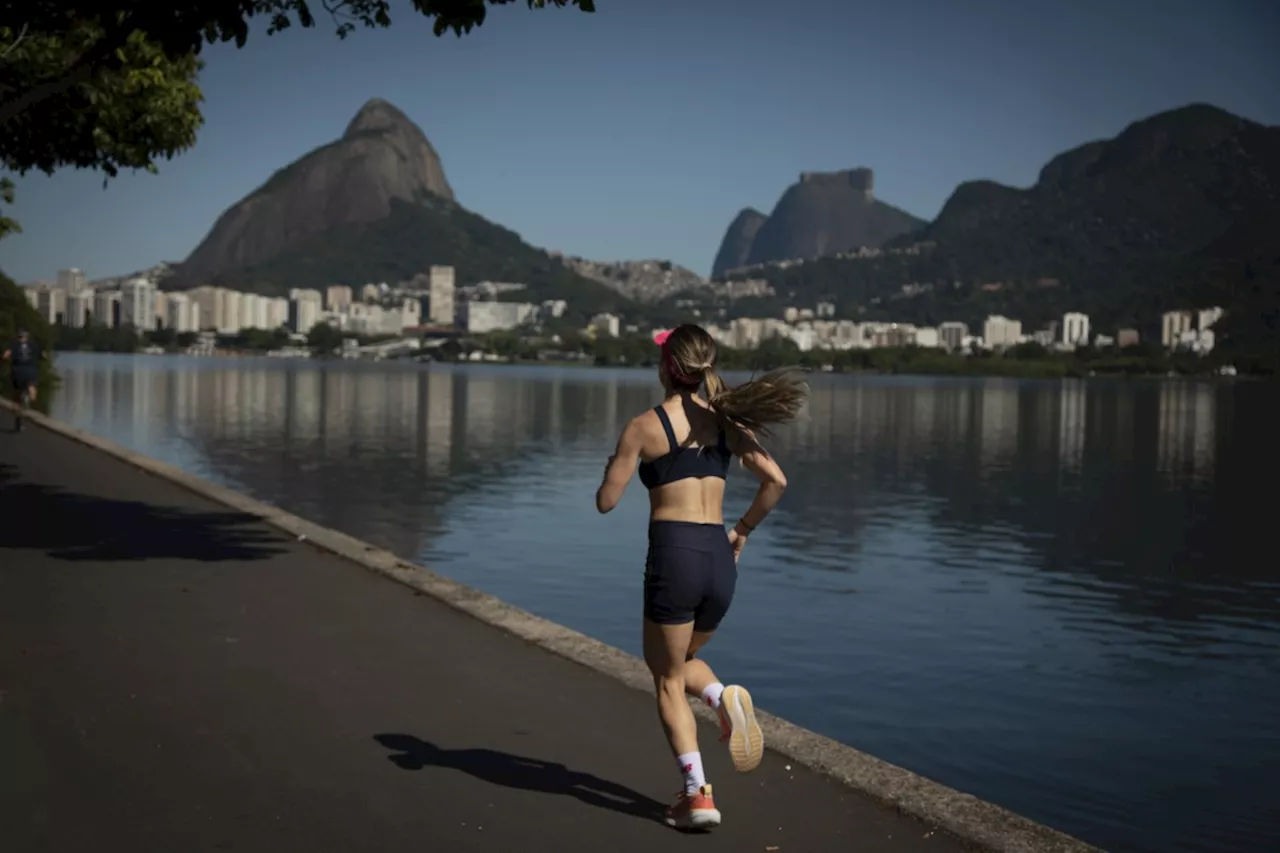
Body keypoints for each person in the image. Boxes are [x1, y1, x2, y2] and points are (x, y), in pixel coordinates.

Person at [595, 323, 808, 831]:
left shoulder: (644, 426)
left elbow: (606, 502)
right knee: (683, 660)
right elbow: (776, 481)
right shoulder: (728, 422)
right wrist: (742, 532)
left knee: (666, 678)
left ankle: (697, 795)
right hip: (718, 558)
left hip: (674, 557)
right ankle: (721, 699)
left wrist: (616, 462)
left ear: (668, 367)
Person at [3, 327, 42, 430]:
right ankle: (27, 397)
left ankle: (18, 421)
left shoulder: (14, 346)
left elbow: (5, 355)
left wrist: (9, 359)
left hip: (17, 372)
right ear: (27, 337)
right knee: (33, 393)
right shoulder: (33, 345)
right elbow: (43, 355)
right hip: (30, 371)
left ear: (18, 337)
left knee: (16, 399)